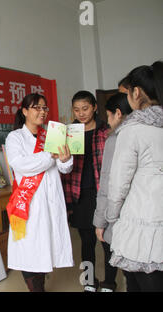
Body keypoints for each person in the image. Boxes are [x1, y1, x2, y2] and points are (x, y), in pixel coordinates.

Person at [5, 93, 73, 292]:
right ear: (24, 111)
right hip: (28, 201)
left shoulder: (53, 136)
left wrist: (64, 158)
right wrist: (49, 155)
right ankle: (36, 289)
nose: (42, 112)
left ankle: (40, 284)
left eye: (44, 108)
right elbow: (20, 164)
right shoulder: (15, 137)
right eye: (36, 107)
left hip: (51, 199)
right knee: (29, 247)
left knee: (46, 244)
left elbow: (65, 169)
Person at [106, 61, 163, 292]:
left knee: (140, 284)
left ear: (136, 92)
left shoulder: (132, 130)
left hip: (142, 227)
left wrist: (111, 217)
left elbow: (119, 183)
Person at [61, 90, 109, 292]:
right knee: (87, 242)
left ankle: (110, 282)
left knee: (107, 242)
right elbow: (62, 166)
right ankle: (89, 281)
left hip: (103, 194)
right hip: (79, 193)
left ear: (95, 107)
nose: (81, 113)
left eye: (85, 108)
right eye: (76, 109)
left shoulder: (105, 131)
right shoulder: (68, 133)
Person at [93, 92, 132, 292]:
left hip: (122, 216)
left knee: (130, 270)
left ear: (117, 114)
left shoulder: (115, 139)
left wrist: (100, 222)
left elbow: (107, 183)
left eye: (108, 116)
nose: (107, 121)